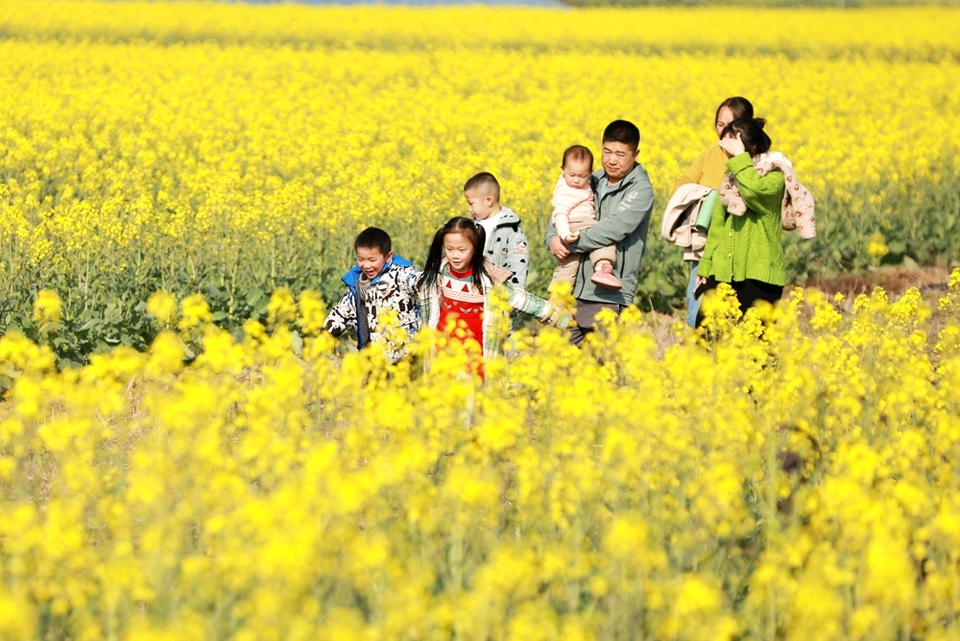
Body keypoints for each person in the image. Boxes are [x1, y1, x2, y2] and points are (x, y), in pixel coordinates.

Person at [545, 120, 655, 347]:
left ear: (636, 154)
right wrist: (552, 238)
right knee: (558, 363)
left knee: (603, 367)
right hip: (572, 288)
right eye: (607, 151)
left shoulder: (640, 190)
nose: (611, 160)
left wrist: (569, 243)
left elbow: (612, 229)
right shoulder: (590, 178)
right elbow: (562, 210)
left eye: (620, 154)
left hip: (608, 294)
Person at [418, 217, 569, 374]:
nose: (455, 255)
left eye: (462, 250)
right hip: (445, 339)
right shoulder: (440, 271)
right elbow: (422, 290)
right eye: (450, 249)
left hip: (474, 343)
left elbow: (519, 299)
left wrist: (560, 317)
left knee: (472, 387)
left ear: (475, 247)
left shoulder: (486, 277)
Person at [671, 97, 754, 327]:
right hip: (705, 247)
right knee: (696, 309)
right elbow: (682, 183)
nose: (724, 131)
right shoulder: (709, 155)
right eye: (720, 124)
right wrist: (702, 196)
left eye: (731, 125)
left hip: (740, 251)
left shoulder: (756, 159)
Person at [695, 118, 786, 326]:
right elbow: (718, 225)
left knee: (756, 347)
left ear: (752, 147)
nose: (726, 153)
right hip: (724, 270)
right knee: (705, 337)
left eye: (731, 146)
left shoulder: (775, 177)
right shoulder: (732, 175)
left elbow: (754, 193)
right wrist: (706, 266)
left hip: (760, 275)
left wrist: (740, 159)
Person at [323, 227, 421, 362]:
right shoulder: (357, 282)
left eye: (372, 260)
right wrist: (323, 337)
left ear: (388, 257)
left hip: (405, 354)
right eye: (361, 259)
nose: (366, 265)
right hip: (374, 357)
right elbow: (343, 312)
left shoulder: (400, 274)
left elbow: (417, 280)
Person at [549, 145, 622, 291]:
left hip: (572, 226)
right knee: (603, 239)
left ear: (590, 173)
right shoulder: (566, 191)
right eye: (572, 175)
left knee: (568, 264)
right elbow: (560, 213)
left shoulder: (583, 182)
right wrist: (564, 234)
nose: (576, 180)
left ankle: (558, 295)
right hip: (576, 223)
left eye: (582, 176)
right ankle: (602, 267)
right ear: (563, 170)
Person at [463, 172, 529, 289]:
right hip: (471, 289)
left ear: (488, 200)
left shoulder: (510, 228)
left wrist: (515, 293)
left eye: (471, 203)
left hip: (498, 293)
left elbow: (518, 262)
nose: (469, 208)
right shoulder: (470, 225)